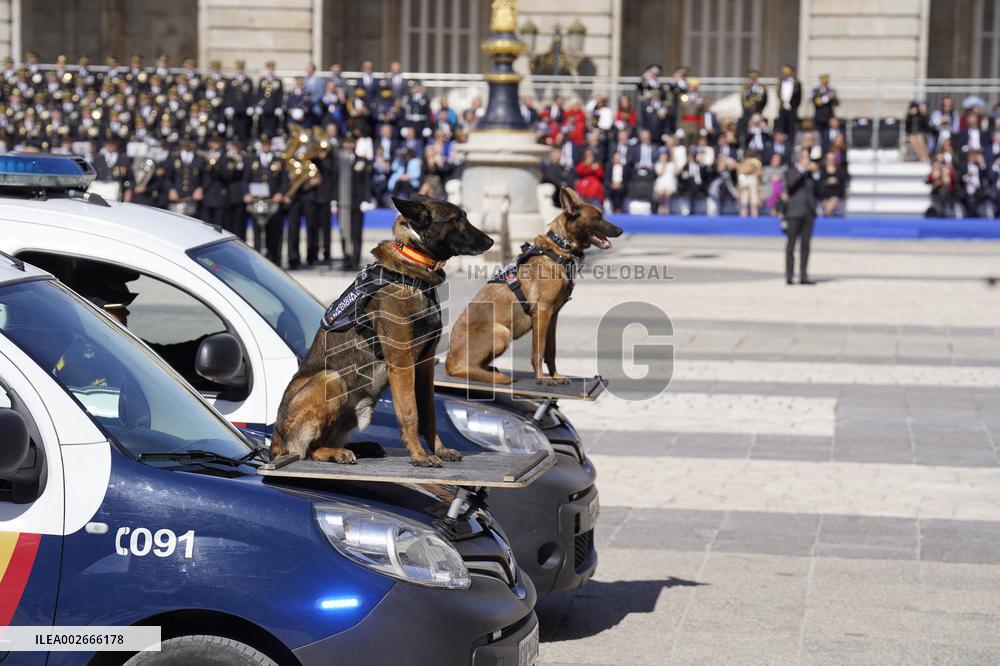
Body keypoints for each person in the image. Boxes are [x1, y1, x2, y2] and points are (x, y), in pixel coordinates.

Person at [242, 135, 287, 259]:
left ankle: (275, 259)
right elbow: (245, 179)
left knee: (274, 232)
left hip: (272, 201)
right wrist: (246, 193)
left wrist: (280, 193)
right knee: (257, 232)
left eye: (267, 144)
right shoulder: (252, 160)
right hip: (256, 201)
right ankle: (258, 259)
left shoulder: (279, 160)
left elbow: (285, 181)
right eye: (263, 144)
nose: (265, 146)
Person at [784, 150, 819, 285]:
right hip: (794, 212)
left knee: (805, 246)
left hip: (808, 212)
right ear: (798, 159)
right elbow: (791, 184)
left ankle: (803, 275)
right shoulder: (791, 171)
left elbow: (817, 189)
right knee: (791, 245)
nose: (808, 160)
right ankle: (789, 275)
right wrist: (803, 170)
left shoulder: (810, 175)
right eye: (805, 158)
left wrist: (816, 173)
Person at [337, 134, 372, 271]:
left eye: (351, 142)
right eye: (346, 142)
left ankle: (355, 260)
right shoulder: (339, 160)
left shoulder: (362, 160)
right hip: (343, 201)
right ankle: (346, 258)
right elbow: (334, 179)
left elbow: (367, 182)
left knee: (356, 232)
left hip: (357, 202)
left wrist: (366, 199)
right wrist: (334, 199)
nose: (348, 145)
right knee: (344, 231)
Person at [775, 64, 801, 140]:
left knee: (791, 127)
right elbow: (778, 94)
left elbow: (799, 98)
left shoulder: (797, 83)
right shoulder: (780, 82)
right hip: (782, 108)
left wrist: (794, 106)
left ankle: (790, 142)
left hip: (792, 109)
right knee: (781, 127)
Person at [816, 152, 847, 216]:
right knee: (826, 204)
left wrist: (836, 182)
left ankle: (827, 215)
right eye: (828, 159)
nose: (830, 161)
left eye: (832, 159)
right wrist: (827, 182)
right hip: (824, 196)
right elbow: (818, 187)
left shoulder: (840, 171)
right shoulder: (821, 172)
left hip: (836, 195)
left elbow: (842, 187)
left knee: (831, 203)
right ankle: (828, 215)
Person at [736, 151, 763, 218]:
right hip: (744, 181)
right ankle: (744, 218)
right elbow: (740, 172)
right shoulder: (742, 163)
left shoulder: (756, 162)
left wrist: (754, 167)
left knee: (754, 202)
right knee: (744, 201)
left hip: (753, 180)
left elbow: (760, 173)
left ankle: (754, 218)